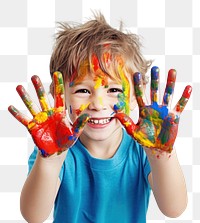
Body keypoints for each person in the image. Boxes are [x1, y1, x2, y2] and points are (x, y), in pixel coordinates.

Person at [8, 13, 192, 223]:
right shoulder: (54, 149)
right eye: (83, 91)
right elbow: (33, 216)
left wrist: (161, 155)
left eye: (114, 89)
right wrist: (50, 163)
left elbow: (174, 209)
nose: (98, 104)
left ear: (135, 96)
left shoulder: (142, 149)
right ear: (59, 94)